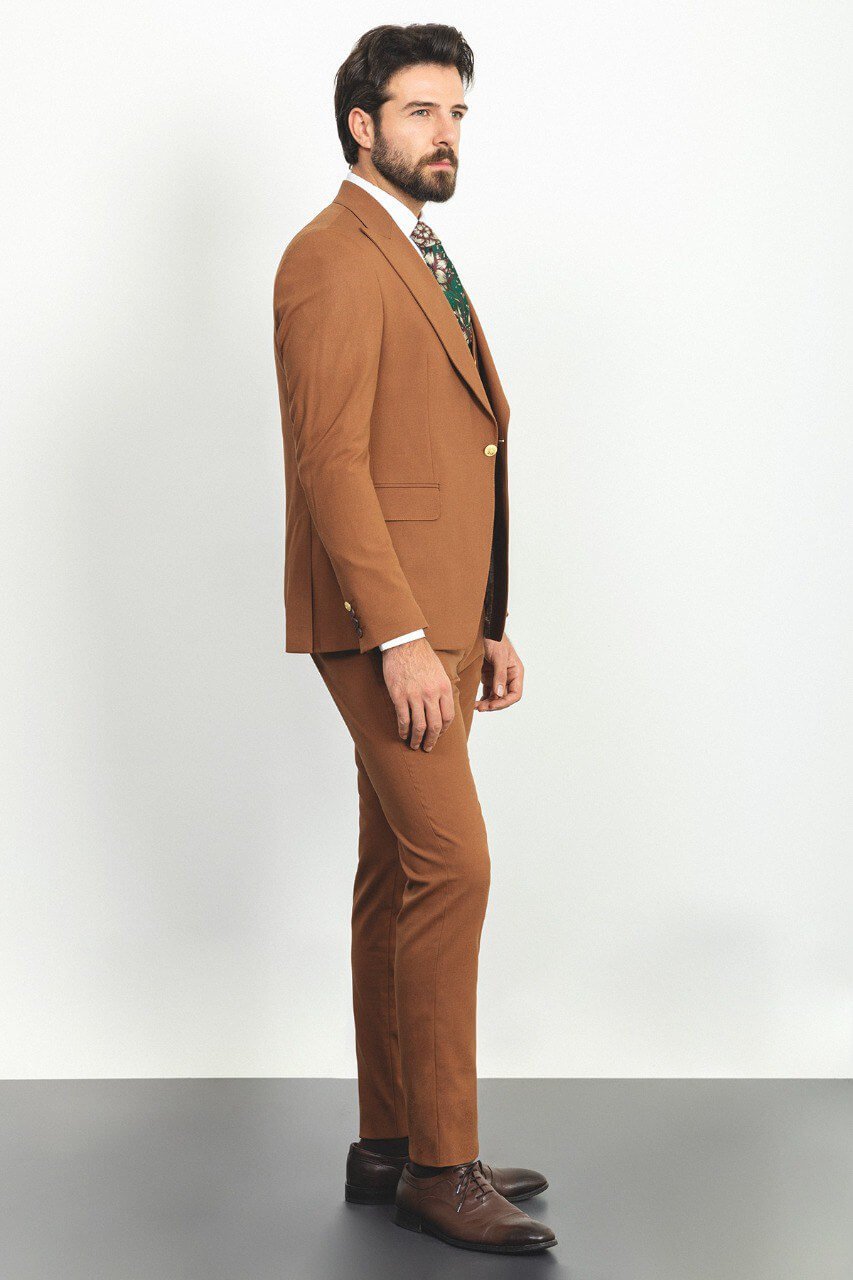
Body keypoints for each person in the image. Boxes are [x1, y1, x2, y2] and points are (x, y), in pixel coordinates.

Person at [272, 23, 557, 1254]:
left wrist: (483, 620)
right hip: (379, 619)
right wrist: (395, 632)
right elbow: (332, 462)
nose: (446, 135)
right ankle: (444, 1164)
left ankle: (390, 1143)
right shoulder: (330, 257)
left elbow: (462, 445)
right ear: (362, 124)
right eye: (420, 112)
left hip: (438, 616)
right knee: (455, 865)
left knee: (399, 869)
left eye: (456, 114)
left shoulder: (416, 248)